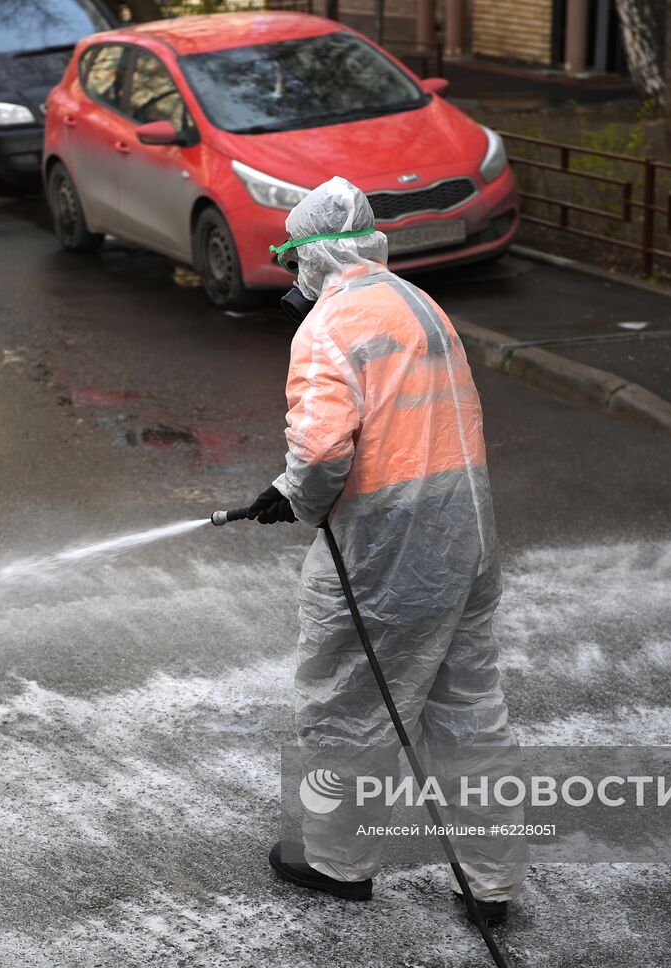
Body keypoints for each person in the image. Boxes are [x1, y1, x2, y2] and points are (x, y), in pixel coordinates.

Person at [247, 177, 528, 925]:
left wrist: (302, 498)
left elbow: (322, 448)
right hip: (464, 538)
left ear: (310, 257)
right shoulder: (417, 304)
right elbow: (404, 423)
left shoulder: (329, 327)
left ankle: (338, 864)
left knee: (348, 704)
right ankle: (490, 882)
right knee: (468, 711)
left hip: (391, 549)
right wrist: (293, 486)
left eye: (291, 261)